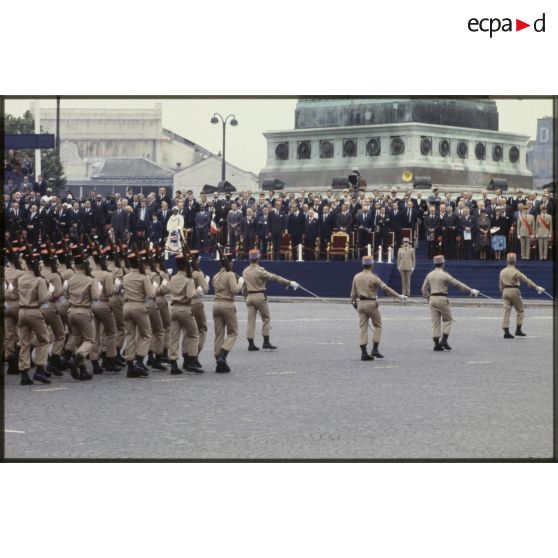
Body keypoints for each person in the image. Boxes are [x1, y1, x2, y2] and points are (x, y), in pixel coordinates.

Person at [350, 255, 406, 361]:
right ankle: (375, 349)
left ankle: (364, 352)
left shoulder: (356, 277)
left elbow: (353, 293)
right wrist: (398, 296)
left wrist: (353, 303)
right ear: (372, 265)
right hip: (371, 303)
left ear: (363, 265)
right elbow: (386, 289)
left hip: (360, 303)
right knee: (378, 325)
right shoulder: (374, 277)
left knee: (363, 327)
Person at [242, 249, 299, 350]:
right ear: (258, 258)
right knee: (266, 318)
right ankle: (266, 342)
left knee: (250, 321)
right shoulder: (260, 270)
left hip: (249, 296)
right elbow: (274, 277)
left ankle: (251, 344)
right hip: (259, 296)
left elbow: (244, 287)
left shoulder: (245, 271)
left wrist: (245, 297)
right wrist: (289, 283)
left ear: (250, 259)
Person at [421, 255, 479, 351]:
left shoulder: (429, 275)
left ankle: (436, 344)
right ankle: (444, 340)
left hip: (432, 298)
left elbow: (424, 289)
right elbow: (457, 283)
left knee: (435, 321)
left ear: (434, 264)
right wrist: (470, 290)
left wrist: (428, 298)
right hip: (442, 298)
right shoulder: (445, 275)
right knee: (448, 320)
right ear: (443, 264)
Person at [66, 252, 102, 381]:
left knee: (78, 340)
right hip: (84, 311)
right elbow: (96, 297)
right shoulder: (90, 279)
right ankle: (77, 357)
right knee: (89, 340)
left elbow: (66, 295)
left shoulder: (70, 279)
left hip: (71, 311)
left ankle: (82, 370)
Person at [17, 251, 52, 385]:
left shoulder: (20, 278)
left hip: (22, 311)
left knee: (24, 342)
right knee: (44, 340)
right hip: (34, 311)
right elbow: (44, 299)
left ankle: (24, 372)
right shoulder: (39, 280)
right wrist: (49, 292)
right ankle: (40, 368)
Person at [122, 251, 155, 378]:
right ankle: (140, 361)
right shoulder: (143, 277)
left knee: (130, 335)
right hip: (139, 306)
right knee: (145, 334)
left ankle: (130, 365)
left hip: (127, 306)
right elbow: (151, 294)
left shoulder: (126, 276)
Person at [167, 252, 202, 374]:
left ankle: (173, 362)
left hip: (174, 309)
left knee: (174, 336)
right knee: (194, 334)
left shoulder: (173, 278)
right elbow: (190, 295)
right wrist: (198, 292)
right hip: (185, 308)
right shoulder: (188, 279)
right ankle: (191, 360)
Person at [211, 250, 244, 373]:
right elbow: (234, 290)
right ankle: (223, 356)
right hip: (227, 304)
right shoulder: (230, 274)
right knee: (233, 333)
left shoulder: (215, 276)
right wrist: (240, 283)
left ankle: (218, 361)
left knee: (219, 333)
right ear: (230, 262)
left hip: (216, 304)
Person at [499, 252, 545, 338]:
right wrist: (537, 287)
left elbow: (500, 284)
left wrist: (502, 291)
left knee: (506, 311)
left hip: (505, 291)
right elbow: (526, 280)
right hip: (514, 290)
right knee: (520, 310)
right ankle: (518, 329)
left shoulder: (502, 271)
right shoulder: (516, 271)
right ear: (515, 261)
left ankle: (506, 331)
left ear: (507, 261)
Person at [189, 251, 209, 368]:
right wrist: (205, 282)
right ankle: (195, 354)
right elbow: (205, 290)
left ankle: (187, 355)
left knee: (189, 331)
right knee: (202, 329)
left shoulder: (186, 272)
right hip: (196, 302)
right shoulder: (198, 273)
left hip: (186, 303)